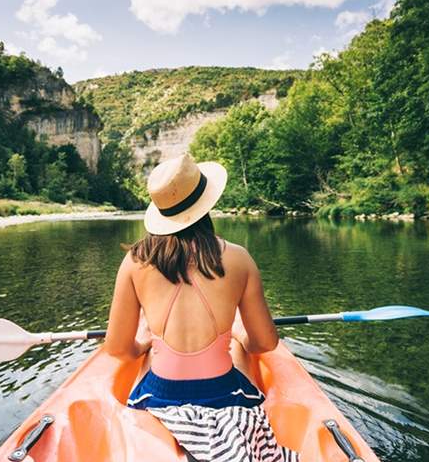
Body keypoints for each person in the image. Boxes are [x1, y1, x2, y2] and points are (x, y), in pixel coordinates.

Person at [105, 153, 297, 462]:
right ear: (206, 205)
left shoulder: (135, 261)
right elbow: (266, 343)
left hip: (158, 397)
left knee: (150, 353)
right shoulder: (239, 258)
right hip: (224, 395)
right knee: (238, 347)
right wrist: (238, 336)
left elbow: (116, 348)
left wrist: (143, 345)